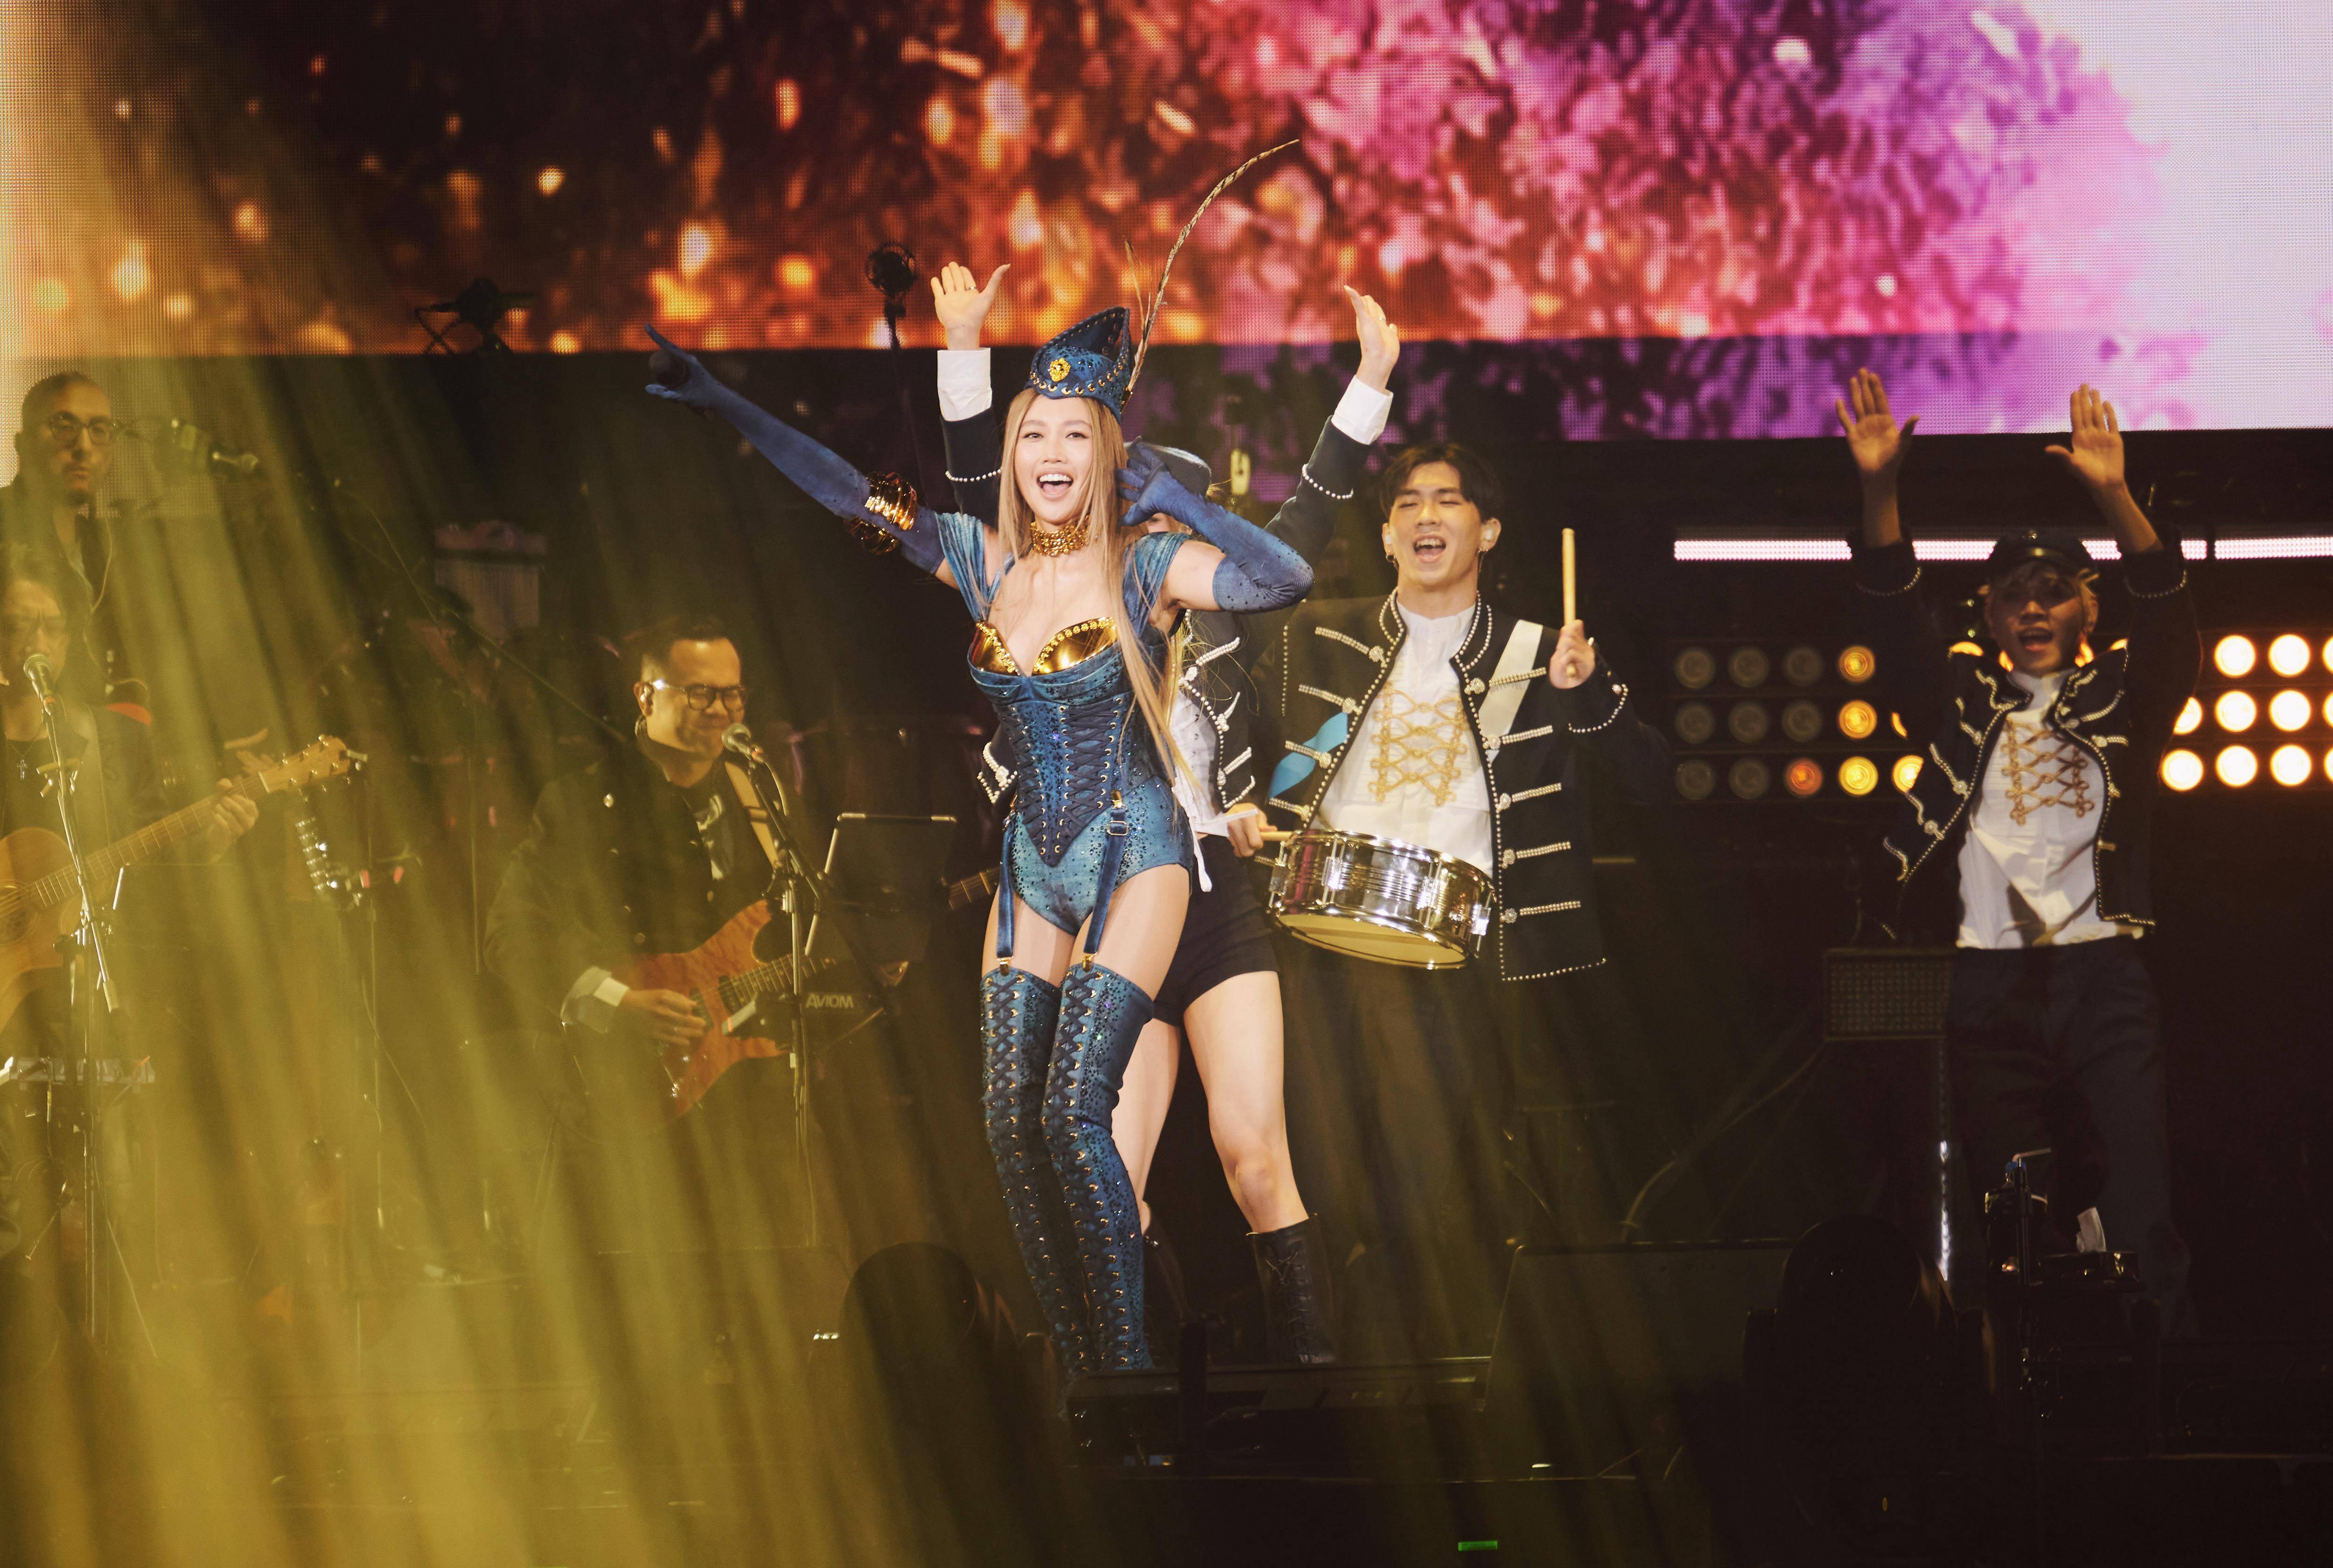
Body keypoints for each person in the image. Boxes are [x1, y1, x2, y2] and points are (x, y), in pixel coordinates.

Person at [639, 274, 1313, 1376]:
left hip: (1135, 846)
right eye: (1032, 432)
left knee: (1074, 1116)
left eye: (1074, 435)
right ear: (1012, 453)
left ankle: (1131, 1377)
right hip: (1033, 863)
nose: (1050, 451)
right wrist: (721, 400)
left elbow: (1282, 580)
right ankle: (1091, 1371)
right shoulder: (976, 558)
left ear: (1105, 454)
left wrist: (1173, 498)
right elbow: (846, 490)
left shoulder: (1146, 566)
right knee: (1009, 1124)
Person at [926, 264, 1402, 1364]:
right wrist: (961, 351)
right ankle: (1144, 1395)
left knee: (1253, 1158)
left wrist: (1370, 382)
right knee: (1113, 1177)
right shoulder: (1047, 599)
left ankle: (1313, 1386)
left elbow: (1307, 520)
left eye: (1158, 505)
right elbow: (975, 492)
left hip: (1210, 903)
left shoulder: (1215, 607)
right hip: (1107, 901)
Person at [1257, 443, 1671, 1358]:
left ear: (1486, 532)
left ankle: (1402, 1374)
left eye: (1447, 501)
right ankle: (1311, 1365)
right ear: (1385, 534)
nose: (1426, 516)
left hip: (1451, 961)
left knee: (1419, 1192)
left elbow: (1651, 779)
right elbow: (1241, 738)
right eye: (1407, 503)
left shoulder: (1542, 654)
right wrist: (1243, 809)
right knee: (1306, 1176)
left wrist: (1591, 694)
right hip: (1315, 942)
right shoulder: (1316, 633)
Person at [1839, 370, 2198, 1332]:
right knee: (2015, 1222)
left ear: (2087, 610)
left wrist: (2115, 497)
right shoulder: (1961, 702)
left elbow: (2171, 622)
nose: (2033, 610)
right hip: (1986, 987)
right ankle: (2019, 1395)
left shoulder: (2123, 696)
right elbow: (1892, 614)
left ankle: (2159, 1390)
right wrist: (1879, 487)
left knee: (2135, 1209)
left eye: (2053, 592)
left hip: (2102, 980)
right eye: (2012, 596)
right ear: (1989, 617)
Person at [0, 544, 257, 1272]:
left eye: (52, 627)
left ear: (70, 638)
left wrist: (212, 843)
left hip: (80, 1009)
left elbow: (152, 873)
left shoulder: (112, 742)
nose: (35, 643)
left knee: (104, 1204)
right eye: (17, 625)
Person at [1, 373, 126, 698]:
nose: (84, 447)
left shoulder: (109, 545)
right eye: (64, 426)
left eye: (99, 430)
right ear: (23, 445)